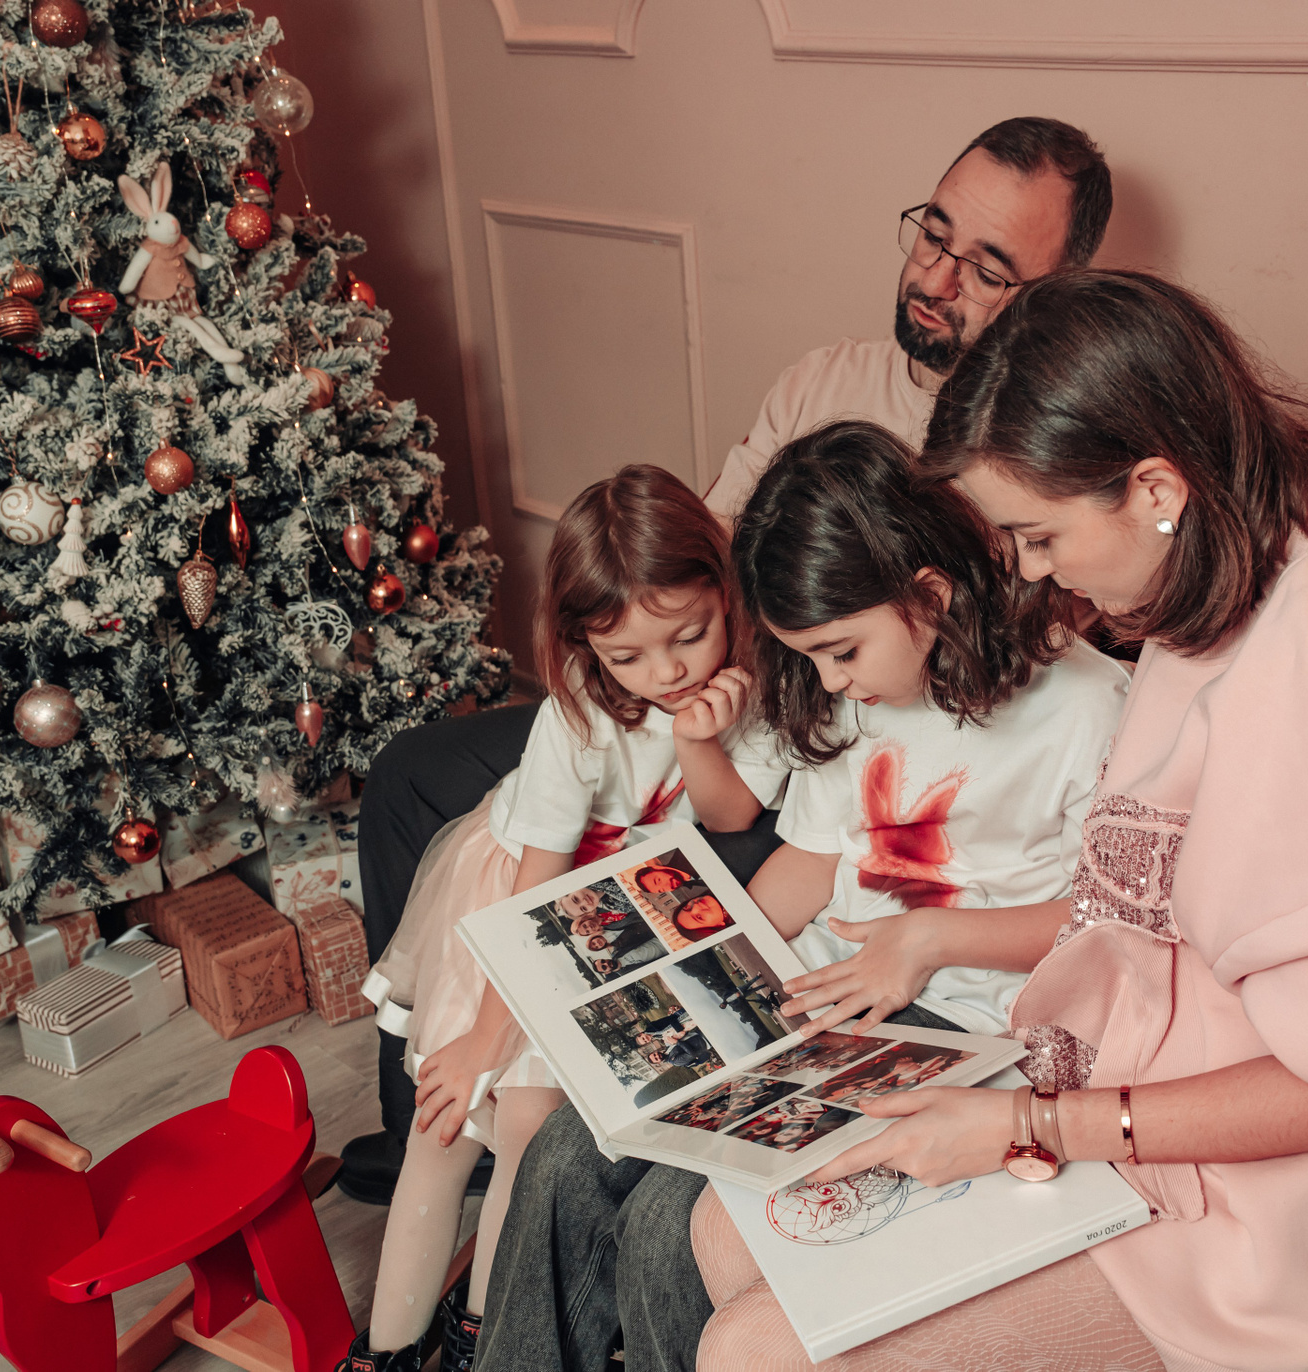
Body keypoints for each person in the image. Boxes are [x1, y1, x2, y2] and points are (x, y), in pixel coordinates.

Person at [689, 270, 1308, 1372]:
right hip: (1131, 1065)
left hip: (1294, 1203)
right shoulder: (1246, 533)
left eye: (1038, 535)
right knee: (724, 1229)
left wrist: (1030, 1126)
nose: (1030, 572)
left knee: (753, 1350)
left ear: (1155, 485)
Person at [343, 114, 1113, 1205]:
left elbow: (993, 695)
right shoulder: (826, 379)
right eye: (932, 235)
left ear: (1051, 295)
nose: (936, 278)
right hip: (711, 683)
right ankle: (434, 1126)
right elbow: (701, 544)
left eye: (985, 269)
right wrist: (657, 672)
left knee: (615, 874)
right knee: (413, 777)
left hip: (791, 760)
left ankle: (522, 1135)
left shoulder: (1032, 459)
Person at [476, 420, 1130, 1372]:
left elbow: (1109, 925)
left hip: (963, 1021)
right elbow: (810, 862)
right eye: (809, 655)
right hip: (814, 989)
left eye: (840, 651)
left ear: (930, 596)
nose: (829, 682)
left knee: (667, 1227)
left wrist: (929, 940)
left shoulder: (1086, 707)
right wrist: (699, 955)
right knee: (567, 1157)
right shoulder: (853, 690)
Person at [341, 465, 789, 1372]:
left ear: (725, 593)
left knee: (530, 1132)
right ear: (586, 644)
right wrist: (483, 1041)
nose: (667, 673)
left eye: (690, 636)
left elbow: (732, 816)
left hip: (623, 919)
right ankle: (385, 1350)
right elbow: (533, 896)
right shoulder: (578, 713)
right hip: (521, 902)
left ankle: (484, 1335)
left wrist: (698, 740)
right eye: (629, 657)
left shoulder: (754, 689)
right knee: (447, 1115)